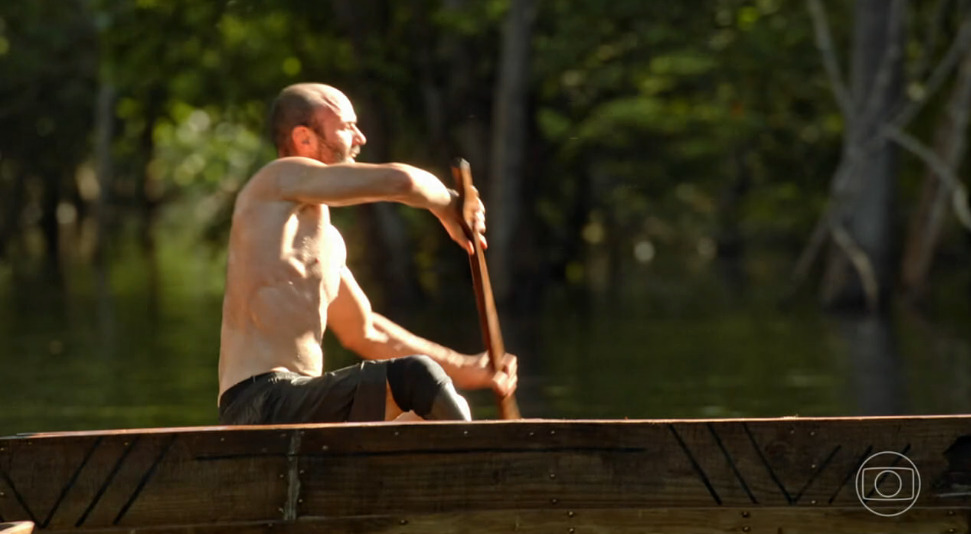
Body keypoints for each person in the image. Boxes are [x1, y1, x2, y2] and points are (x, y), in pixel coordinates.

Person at [217, 83, 517, 425]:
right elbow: (401, 183)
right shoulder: (272, 182)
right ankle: (482, 460)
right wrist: (448, 203)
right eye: (347, 126)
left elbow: (366, 332)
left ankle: (467, 463)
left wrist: (466, 369)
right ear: (304, 139)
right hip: (259, 401)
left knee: (416, 418)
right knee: (414, 377)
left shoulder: (327, 241)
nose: (360, 137)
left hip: (301, 400)